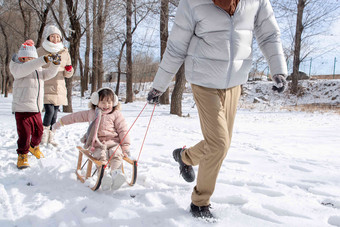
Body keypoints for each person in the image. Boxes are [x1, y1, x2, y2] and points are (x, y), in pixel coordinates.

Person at [147, 0, 288, 220]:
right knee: (219, 144)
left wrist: (278, 69)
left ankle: (185, 157)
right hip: (203, 80)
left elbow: (269, 35)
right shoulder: (192, 3)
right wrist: (159, 85)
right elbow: (176, 46)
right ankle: (200, 202)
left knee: (220, 145)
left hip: (235, 82)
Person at [52, 88, 131, 190]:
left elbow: (123, 130)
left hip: (113, 142)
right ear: (96, 101)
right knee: (100, 156)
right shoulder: (91, 113)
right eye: (103, 102)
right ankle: (103, 176)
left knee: (116, 154)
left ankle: (116, 174)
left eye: (109, 102)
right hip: (97, 143)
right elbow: (75, 117)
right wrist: (60, 122)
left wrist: (125, 146)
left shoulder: (116, 114)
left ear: (114, 102)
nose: (106, 105)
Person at [9, 39, 61, 169]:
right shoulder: (17, 67)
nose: (31, 60)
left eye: (33, 58)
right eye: (28, 58)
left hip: (36, 108)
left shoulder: (37, 69)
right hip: (22, 109)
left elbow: (49, 73)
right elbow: (27, 68)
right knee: (25, 135)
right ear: (22, 58)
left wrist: (55, 64)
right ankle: (22, 155)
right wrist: (43, 59)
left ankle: (33, 147)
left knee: (39, 133)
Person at [37, 25, 74, 147]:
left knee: (55, 113)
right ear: (48, 37)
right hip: (46, 85)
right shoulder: (40, 51)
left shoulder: (64, 52)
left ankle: (51, 135)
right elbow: (34, 66)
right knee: (49, 111)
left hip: (59, 87)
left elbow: (68, 73)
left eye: (57, 37)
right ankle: (44, 135)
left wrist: (69, 70)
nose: (55, 39)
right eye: (53, 36)